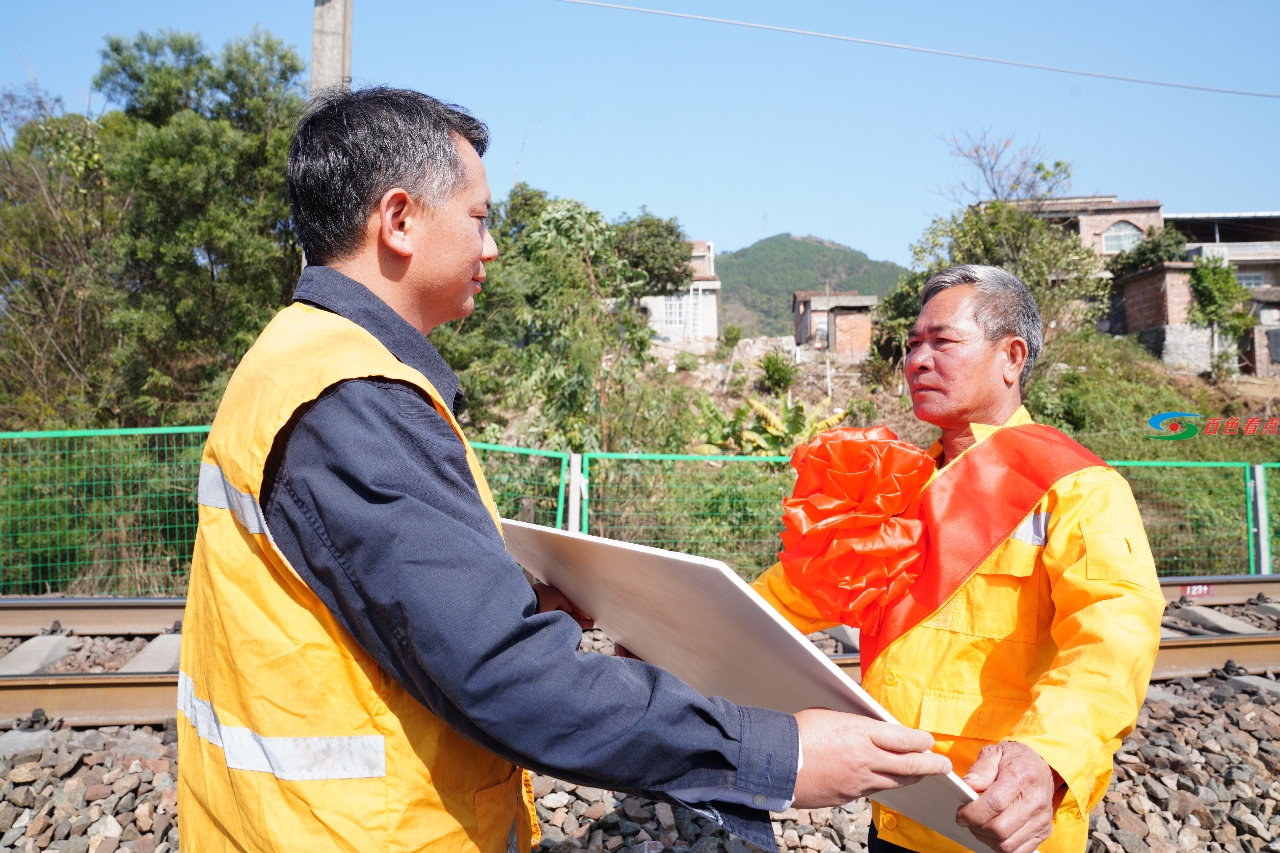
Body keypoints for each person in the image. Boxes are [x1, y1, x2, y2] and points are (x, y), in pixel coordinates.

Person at [176, 86, 952, 853]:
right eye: (479, 218)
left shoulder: (294, 358)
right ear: (400, 219)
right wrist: (778, 753)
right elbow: (506, 679)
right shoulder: (354, 398)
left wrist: (512, 602)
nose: (491, 248)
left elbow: (378, 599)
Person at [753, 265, 1164, 853]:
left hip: (1006, 821)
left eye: (942, 341)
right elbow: (803, 590)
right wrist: (675, 627)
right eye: (913, 344)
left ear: (1012, 357)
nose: (917, 360)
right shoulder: (896, 487)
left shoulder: (1080, 490)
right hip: (898, 815)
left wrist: (1046, 757)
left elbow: (1113, 638)